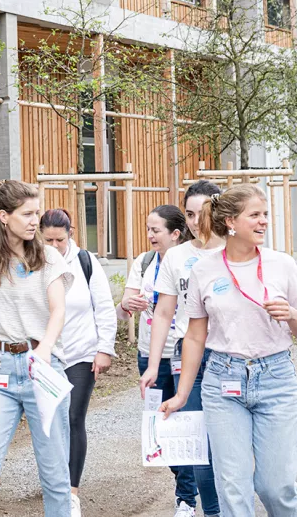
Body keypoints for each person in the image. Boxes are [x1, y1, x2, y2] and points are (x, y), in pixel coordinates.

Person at [161, 184, 297, 517]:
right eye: (255, 215)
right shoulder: (204, 270)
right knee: (232, 487)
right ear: (231, 221)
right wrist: (182, 394)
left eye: (265, 215)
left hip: (276, 379)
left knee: (276, 487)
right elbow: (195, 336)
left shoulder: (282, 264)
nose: (264, 222)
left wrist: (290, 314)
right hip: (222, 382)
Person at [0, 180, 74, 517]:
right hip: (1, 371)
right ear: (5, 216)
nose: (35, 220)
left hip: (43, 371)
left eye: (37, 212)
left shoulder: (48, 257)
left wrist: (46, 348)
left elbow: (59, 310)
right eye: (28, 214)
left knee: (54, 475)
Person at [139, 181, 222, 517]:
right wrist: (151, 365)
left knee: (227, 443)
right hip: (187, 357)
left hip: (228, 356)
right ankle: (213, 511)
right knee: (197, 442)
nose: (195, 221)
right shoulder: (176, 256)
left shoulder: (235, 249)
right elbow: (163, 312)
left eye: (203, 213)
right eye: (189, 214)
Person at [118, 205, 200, 515]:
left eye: (156, 230)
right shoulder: (144, 261)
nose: (150, 235)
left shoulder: (190, 261)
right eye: (148, 229)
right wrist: (130, 302)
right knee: (161, 429)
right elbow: (125, 302)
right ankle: (187, 488)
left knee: (185, 426)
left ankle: (186, 500)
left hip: (183, 354)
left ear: (175, 234)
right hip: (148, 354)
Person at [39, 209, 116, 517]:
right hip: (47, 354)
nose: (54, 245)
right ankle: (54, 478)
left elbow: (105, 306)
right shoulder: (33, 262)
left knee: (73, 418)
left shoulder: (85, 262)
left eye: (60, 239)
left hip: (81, 352)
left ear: (71, 234)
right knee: (48, 422)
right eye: (48, 240)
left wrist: (104, 349)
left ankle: (71, 491)